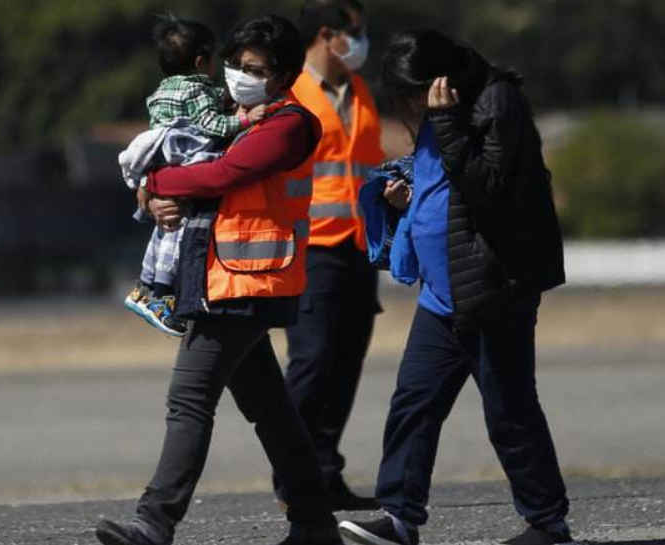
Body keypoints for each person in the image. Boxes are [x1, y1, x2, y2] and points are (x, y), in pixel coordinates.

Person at [96, 15, 344, 545]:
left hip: (245, 284)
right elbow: (196, 168)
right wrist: (153, 195)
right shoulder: (233, 115)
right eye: (234, 64)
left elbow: (223, 175)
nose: (237, 75)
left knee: (188, 400)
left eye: (252, 68)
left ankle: (154, 523)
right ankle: (315, 523)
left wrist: (157, 179)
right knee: (271, 411)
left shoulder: (289, 124)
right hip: (221, 279)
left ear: (282, 76)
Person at [339, 29, 573, 545]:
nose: (412, 103)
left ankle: (547, 523)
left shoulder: (497, 101)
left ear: (441, 77)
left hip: (491, 287)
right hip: (442, 292)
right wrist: (405, 200)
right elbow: (443, 185)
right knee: (414, 403)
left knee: (508, 410)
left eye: (415, 91)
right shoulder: (439, 115)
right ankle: (399, 517)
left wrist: (443, 122)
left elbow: (485, 185)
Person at [278, 0, 386, 511]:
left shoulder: (359, 91)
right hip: (311, 247)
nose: (361, 42)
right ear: (327, 34)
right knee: (311, 361)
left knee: (344, 365)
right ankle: (294, 476)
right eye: (354, 32)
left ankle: (324, 472)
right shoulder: (290, 92)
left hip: (359, 247)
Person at [121, 15, 265, 337]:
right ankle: (161, 297)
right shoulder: (198, 90)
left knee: (163, 233)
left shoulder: (160, 92)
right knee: (176, 232)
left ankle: (145, 288)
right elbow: (211, 125)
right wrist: (244, 120)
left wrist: (150, 181)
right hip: (190, 166)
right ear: (202, 61)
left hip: (166, 164)